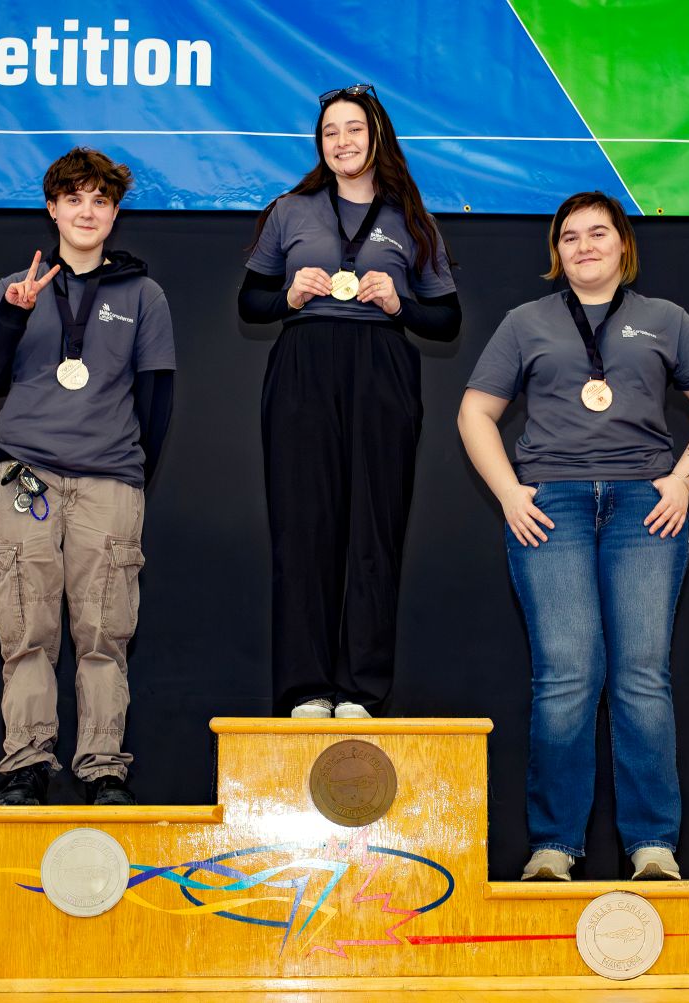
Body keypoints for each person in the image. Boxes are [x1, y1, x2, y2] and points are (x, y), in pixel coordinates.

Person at [457, 191, 689, 880]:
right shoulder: (525, 322)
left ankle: (652, 844)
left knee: (642, 676)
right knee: (565, 675)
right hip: (549, 506)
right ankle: (553, 845)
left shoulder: (664, 320)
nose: (583, 245)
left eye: (597, 233)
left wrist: (680, 481)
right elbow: (474, 411)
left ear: (622, 245)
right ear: (555, 252)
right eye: (569, 237)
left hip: (643, 510)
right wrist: (507, 493)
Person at [0, 147, 176, 806]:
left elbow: (155, 402)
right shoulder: (13, 287)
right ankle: (25, 760)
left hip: (108, 481)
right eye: (74, 199)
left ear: (113, 214)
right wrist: (11, 316)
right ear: (51, 207)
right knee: (25, 626)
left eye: (99, 201)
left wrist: (131, 478)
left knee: (105, 632)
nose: (87, 212)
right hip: (26, 475)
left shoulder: (143, 294)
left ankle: (102, 764)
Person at [238, 84, 461, 720]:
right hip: (305, 365)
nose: (342, 141)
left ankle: (361, 689)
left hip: (382, 367)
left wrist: (401, 305)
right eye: (331, 131)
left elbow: (446, 320)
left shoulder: (410, 217)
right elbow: (248, 303)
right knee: (303, 527)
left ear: (377, 135)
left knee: (374, 528)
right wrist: (287, 297)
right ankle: (306, 688)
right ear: (321, 143)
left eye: (354, 129)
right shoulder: (291, 209)